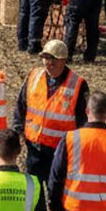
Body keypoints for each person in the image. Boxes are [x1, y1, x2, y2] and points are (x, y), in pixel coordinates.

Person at [12, 40, 89, 194]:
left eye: (53, 58)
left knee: (57, 194)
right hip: (35, 148)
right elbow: (21, 106)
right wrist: (18, 132)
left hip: (60, 152)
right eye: (46, 58)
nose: (49, 63)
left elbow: (83, 121)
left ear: (64, 60)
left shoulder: (78, 85)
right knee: (33, 193)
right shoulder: (34, 76)